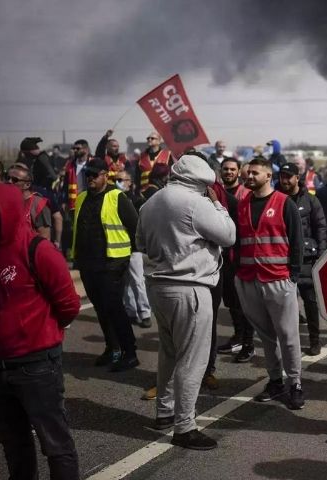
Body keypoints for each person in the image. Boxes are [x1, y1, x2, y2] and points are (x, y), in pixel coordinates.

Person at [0, 184, 81, 479]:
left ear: (7, 211)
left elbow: (69, 305)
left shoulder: (39, 250)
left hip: (37, 366)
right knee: (14, 446)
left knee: (55, 445)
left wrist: (39, 332)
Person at [136, 153, 235, 450]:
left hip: (158, 286)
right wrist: (218, 204)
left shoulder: (150, 202)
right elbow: (228, 235)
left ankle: (165, 412)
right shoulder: (196, 202)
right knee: (192, 359)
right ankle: (185, 426)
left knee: (169, 354)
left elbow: (140, 242)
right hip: (190, 286)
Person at [234, 157, 305, 410]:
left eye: (254, 173)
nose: (249, 176)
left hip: (279, 278)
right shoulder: (242, 204)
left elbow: (297, 242)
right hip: (249, 278)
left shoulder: (284, 203)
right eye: (247, 173)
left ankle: (295, 383)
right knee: (266, 336)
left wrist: (293, 276)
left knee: (288, 336)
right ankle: (275, 381)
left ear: (268, 175)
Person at [71, 158, 140, 371]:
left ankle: (130, 353)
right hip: (88, 263)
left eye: (94, 174)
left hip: (112, 262)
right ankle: (112, 349)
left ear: (105, 175)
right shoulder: (81, 198)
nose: (90, 178)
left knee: (114, 308)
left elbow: (135, 226)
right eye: (87, 174)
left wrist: (130, 255)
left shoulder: (117, 197)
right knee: (101, 309)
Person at [278, 163, 327, 356]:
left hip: (307, 258)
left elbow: (321, 228)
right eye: (282, 176)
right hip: (283, 258)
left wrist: (321, 256)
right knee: (284, 304)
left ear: (297, 177)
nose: (285, 180)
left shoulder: (311, 201)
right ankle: (289, 342)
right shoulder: (277, 200)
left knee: (310, 302)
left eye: (288, 176)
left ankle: (315, 340)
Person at [214, 157, 255, 362]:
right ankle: (238, 336)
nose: (228, 172)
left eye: (232, 169)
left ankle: (249, 343)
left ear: (239, 172)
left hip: (241, 255)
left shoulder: (245, 194)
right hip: (222, 256)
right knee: (230, 300)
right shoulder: (216, 193)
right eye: (225, 169)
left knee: (244, 302)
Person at [114, 171, 152, 329]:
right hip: (118, 246)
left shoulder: (137, 200)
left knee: (137, 280)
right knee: (126, 283)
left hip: (133, 247)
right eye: (116, 179)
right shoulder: (113, 199)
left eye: (122, 180)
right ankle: (131, 312)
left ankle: (145, 313)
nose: (119, 182)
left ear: (130, 182)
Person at [6, 163, 52, 240]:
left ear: (27, 184)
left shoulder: (38, 204)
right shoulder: (6, 200)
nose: (9, 182)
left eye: (15, 180)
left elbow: (44, 238)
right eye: (7, 178)